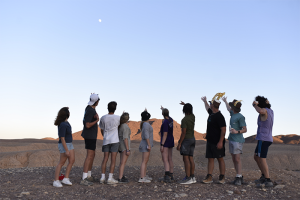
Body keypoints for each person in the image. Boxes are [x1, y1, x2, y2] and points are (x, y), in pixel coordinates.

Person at [201, 96, 226, 184]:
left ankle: (222, 177)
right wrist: (204, 101)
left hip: (217, 141)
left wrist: (220, 142)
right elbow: (207, 108)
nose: (210, 105)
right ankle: (209, 176)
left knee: (220, 159)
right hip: (210, 141)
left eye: (210, 103)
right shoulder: (211, 113)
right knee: (210, 158)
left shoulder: (220, 116)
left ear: (213, 105)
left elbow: (223, 130)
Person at [222, 97, 247, 185]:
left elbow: (245, 129)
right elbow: (228, 108)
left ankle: (239, 177)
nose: (231, 107)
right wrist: (225, 101)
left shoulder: (241, 117)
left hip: (238, 140)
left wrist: (237, 131)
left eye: (232, 106)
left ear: (234, 107)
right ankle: (238, 176)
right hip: (231, 139)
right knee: (233, 158)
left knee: (237, 158)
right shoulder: (232, 113)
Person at [253, 96, 274, 187]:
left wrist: (254, 105)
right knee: (256, 157)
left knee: (261, 158)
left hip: (264, 139)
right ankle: (263, 176)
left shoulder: (265, 110)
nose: (268, 101)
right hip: (265, 138)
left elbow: (261, 111)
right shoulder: (271, 111)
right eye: (266, 100)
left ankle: (268, 180)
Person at [80, 93, 100, 186]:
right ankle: (84, 178)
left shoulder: (90, 109)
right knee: (89, 155)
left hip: (91, 136)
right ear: (96, 101)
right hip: (90, 135)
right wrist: (96, 120)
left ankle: (88, 175)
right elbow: (87, 125)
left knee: (92, 155)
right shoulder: (90, 110)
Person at [53, 107, 75, 187]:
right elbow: (62, 138)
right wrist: (66, 150)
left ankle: (66, 178)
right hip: (64, 144)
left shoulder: (66, 122)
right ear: (67, 114)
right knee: (61, 163)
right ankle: (56, 181)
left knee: (72, 160)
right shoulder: (62, 124)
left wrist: (65, 108)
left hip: (69, 144)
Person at [100, 101, 120, 184]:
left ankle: (102, 177)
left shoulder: (103, 117)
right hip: (114, 140)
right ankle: (110, 178)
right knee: (113, 160)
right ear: (115, 108)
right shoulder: (118, 117)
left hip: (106, 140)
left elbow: (101, 128)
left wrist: (104, 135)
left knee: (105, 159)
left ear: (107, 108)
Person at [177, 101, 196, 185]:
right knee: (191, 158)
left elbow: (183, 133)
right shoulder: (193, 117)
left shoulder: (184, 120)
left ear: (184, 110)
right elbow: (190, 110)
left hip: (187, 140)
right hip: (193, 139)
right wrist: (186, 105)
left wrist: (179, 143)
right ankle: (192, 177)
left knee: (186, 159)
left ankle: (187, 178)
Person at [159, 106, 174, 183]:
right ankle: (171, 175)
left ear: (162, 114)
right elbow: (166, 114)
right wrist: (163, 109)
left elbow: (165, 134)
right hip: (171, 141)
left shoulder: (165, 122)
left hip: (166, 142)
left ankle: (167, 176)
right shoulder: (170, 120)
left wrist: (162, 144)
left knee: (165, 159)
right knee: (170, 158)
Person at [138, 109, 153, 183]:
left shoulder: (145, 124)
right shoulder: (146, 124)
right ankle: (142, 178)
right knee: (144, 161)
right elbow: (146, 135)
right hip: (145, 144)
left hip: (146, 144)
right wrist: (149, 145)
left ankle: (144, 175)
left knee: (145, 161)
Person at [117, 112, 131, 183]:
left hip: (121, 146)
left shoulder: (121, 125)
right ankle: (120, 178)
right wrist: (127, 149)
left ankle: (121, 176)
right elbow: (125, 138)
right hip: (124, 147)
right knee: (123, 162)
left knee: (121, 162)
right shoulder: (125, 126)